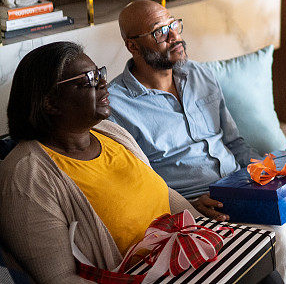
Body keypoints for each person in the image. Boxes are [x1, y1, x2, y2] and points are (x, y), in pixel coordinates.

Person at [107, 0, 286, 284]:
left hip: (243, 186)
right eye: (160, 31)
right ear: (132, 46)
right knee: (277, 237)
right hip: (200, 208)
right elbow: (139, 185)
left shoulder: (199, 74)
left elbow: (234, 141)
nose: (174, 36)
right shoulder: (116, 106)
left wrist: (274, 173)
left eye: (174, 24)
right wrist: (187, 204)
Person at [0, 42, 198, 284]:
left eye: (99, 73)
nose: (103, 83)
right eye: (88, 79)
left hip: (186, 255)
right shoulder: (27, 176)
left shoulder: (109, 132)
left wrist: (206, 228)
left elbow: (160, 191)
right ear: (50, 102)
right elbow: (59, 278)